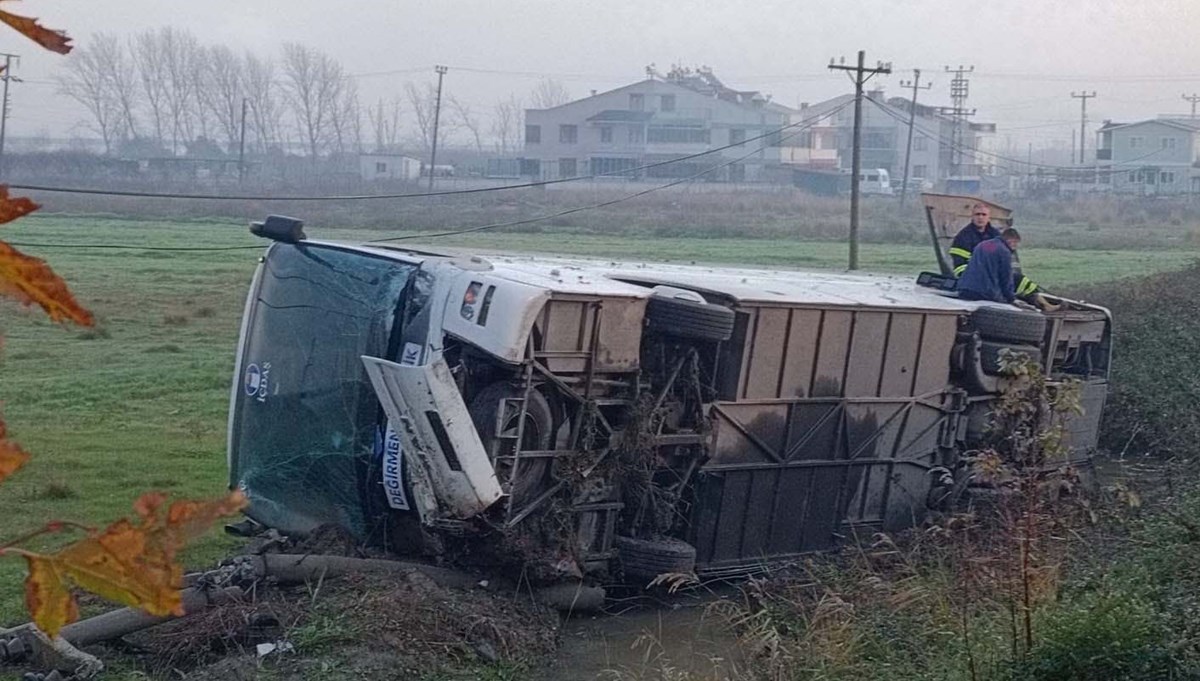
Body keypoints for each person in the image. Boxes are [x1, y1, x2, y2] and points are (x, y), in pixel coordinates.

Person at [949, 203, 1042, 303]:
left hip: (994, 274)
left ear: (989, 217)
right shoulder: (963, 237)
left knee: (1021, 281)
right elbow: (959, 267)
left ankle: (1042, 304)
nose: (980, 217)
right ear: (972, 216)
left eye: (984, 215)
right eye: (977, 214)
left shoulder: (995, 234)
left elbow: (1004, 264)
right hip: (973, 277)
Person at [958, 228, 1022, 304]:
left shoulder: (983, 244)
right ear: (1011, 241)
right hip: (984, 292)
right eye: (1016, 243)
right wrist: (1011, 298)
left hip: (965, 289)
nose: (1016, 246)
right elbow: (1006, 277)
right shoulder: (1004, 252)